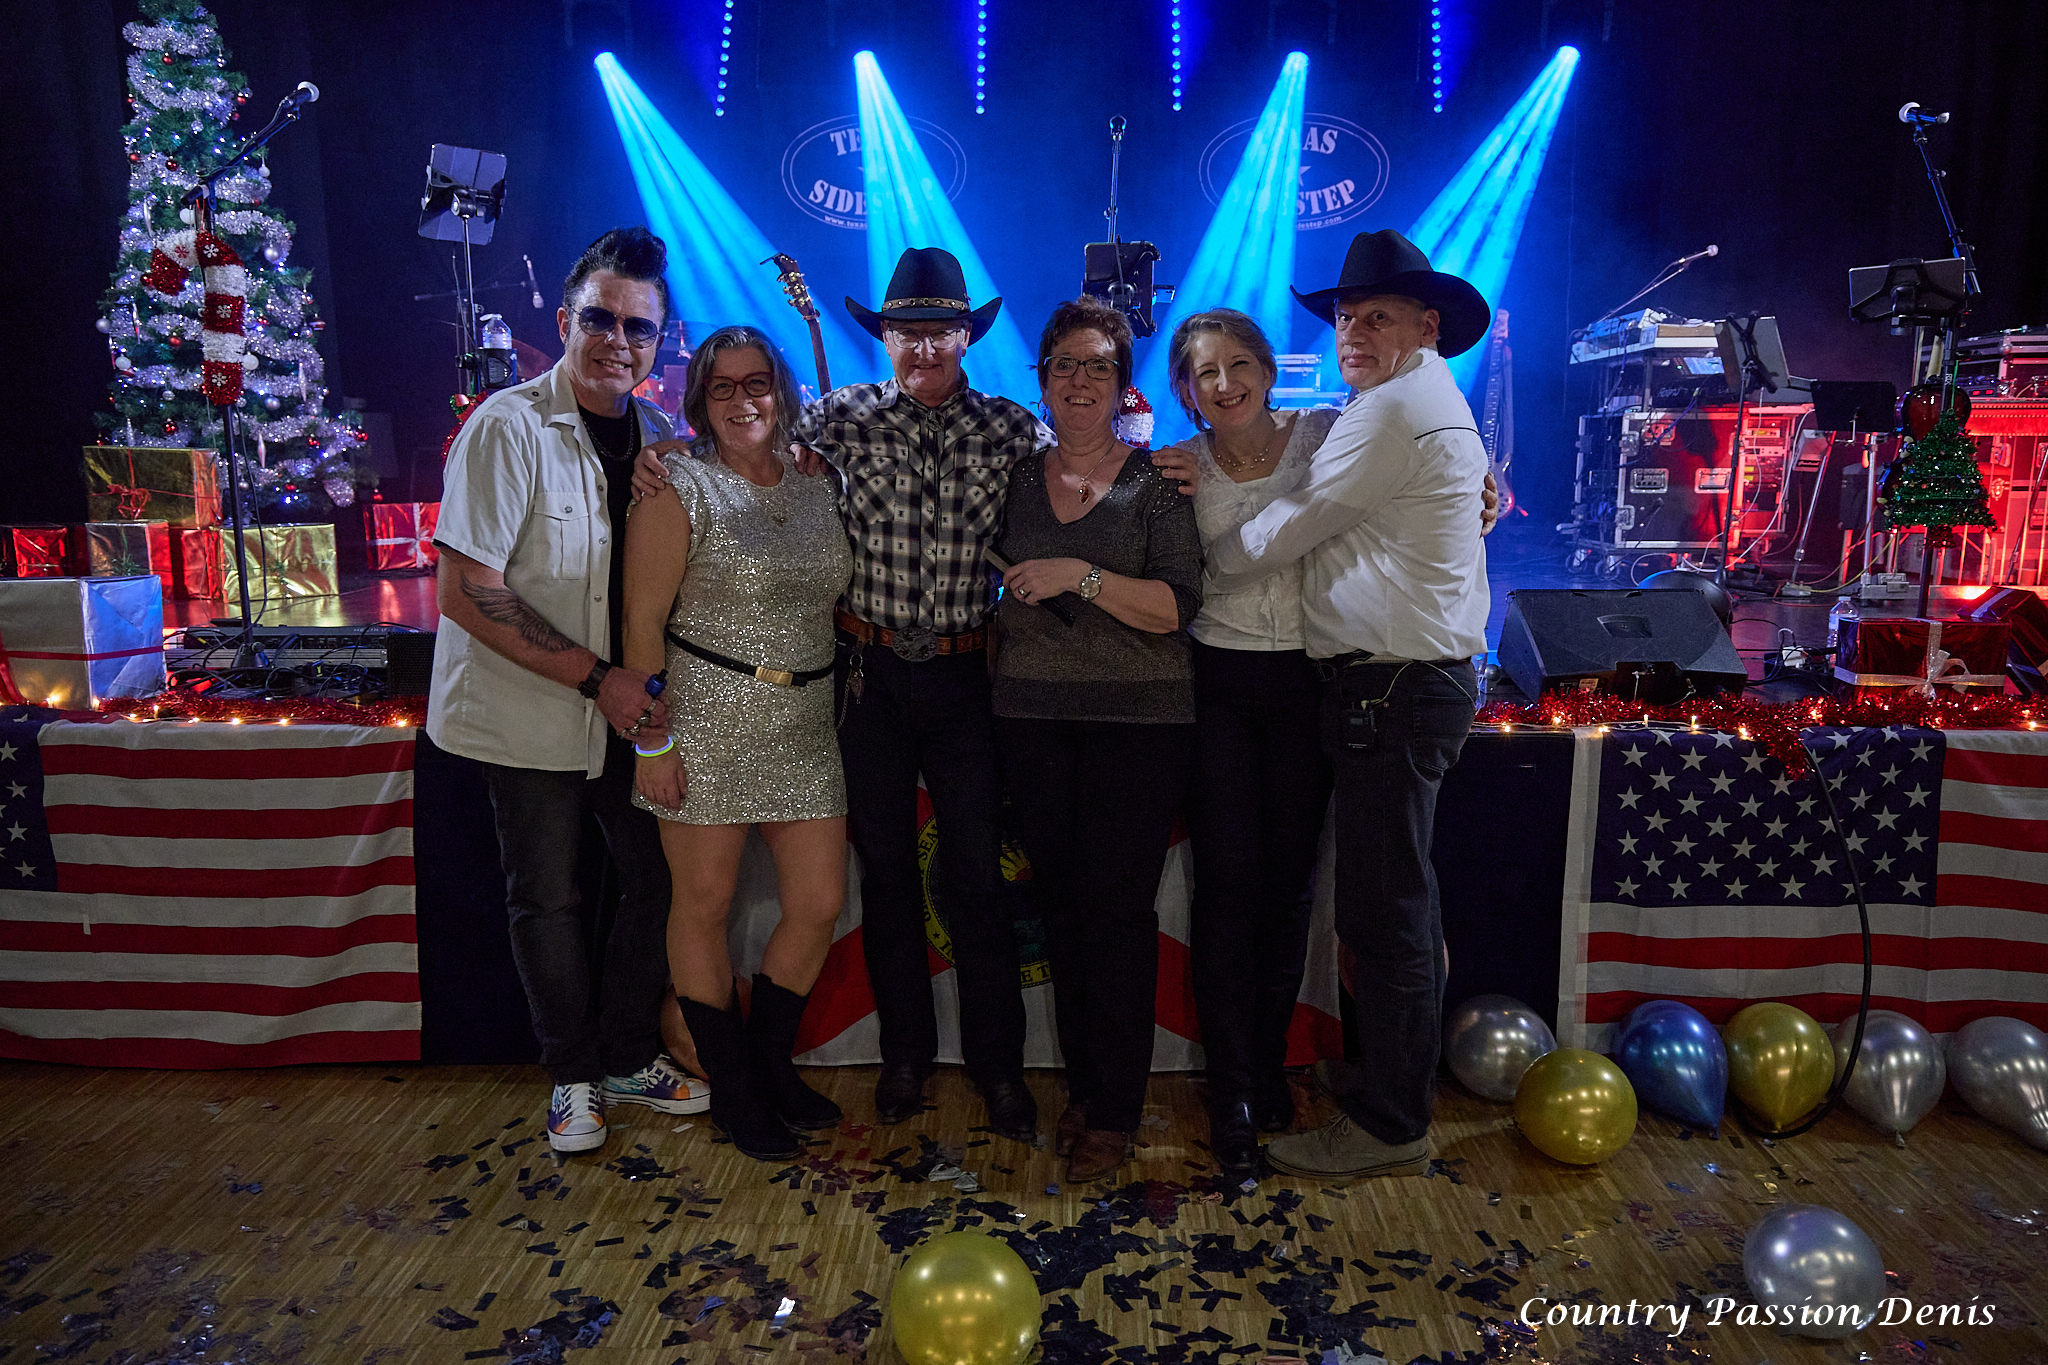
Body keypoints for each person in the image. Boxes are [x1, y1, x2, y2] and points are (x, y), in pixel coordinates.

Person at [633, 248, 1042, 1142]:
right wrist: (659, 454)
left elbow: (1081, 477)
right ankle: (904, 1059)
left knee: (977, 875)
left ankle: (1000, 1069)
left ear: (967, 336)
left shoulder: (1015, 429)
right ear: (884, 337)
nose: (923, 346)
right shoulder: (840, 418)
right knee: (886, 876)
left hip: (966, 673)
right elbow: (740, 440)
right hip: (869, 677)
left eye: (940, 331)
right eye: (907, 331)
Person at [1199, 228, 1493, 1180]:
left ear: (1428, 324)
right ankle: (1389, 1088)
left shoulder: (1390, 411)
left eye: (1378, 317)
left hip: (1394, 686)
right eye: (1345, 317)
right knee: (1397, 905)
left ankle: (1390, 1123)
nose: (1354, 332)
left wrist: (1202, 558)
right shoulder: (1416, 401)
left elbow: (1293, 524)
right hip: (1410, 682)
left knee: (1385, 916)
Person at [429, 226, 709, 1156]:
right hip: (532, 709)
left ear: (659, 342)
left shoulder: (662, 440)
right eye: (600, 319)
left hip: (632, 713)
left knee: (654, 882)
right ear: (564, 322)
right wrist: (599, 680)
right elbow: (465, 588)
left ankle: (627, 1054)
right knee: (546, 897)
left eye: (638, 327)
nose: (616, 341)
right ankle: (572, 1073)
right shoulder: (506, 426)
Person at [623, 326, 854, 1162]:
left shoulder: (818, 483)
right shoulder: (676, 485)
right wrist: (653, 744)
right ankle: (734, 1088)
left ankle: (767, 1063)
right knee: (705, 906)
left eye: (756, 382)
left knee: (819, 901)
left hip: (805, 723)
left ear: (780, 391)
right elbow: (641, 623)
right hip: (704, 720)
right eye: (721, 386)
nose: (742, 399)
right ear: (699, 401)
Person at [993, 296, 1203, 1183]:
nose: (1080, 380)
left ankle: (1115, 1107)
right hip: (1031, 720)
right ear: (1042, 379)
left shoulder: (1158, 481)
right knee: (1063, 911)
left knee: (1116, 916)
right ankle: (1085, 1086)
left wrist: (1080, 573)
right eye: (1064, 364)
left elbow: (1175, 606)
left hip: (1138, 727)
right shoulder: (1013, 476)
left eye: (1098, 366)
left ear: (1123, 385)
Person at [1157, 309, 1341, 1182]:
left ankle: (1268, 1065)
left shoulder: (1328, 435)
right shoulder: (1178, 466)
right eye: (1205, 372)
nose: (1224, 383)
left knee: (1289, 886)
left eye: (1238, 364)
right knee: (1228, 888)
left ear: (1269, 370)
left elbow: (1421, 471)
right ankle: (1230, 1087)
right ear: (1186, 391)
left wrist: (1481, 486)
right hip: (1219, 684)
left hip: (1310, 680)